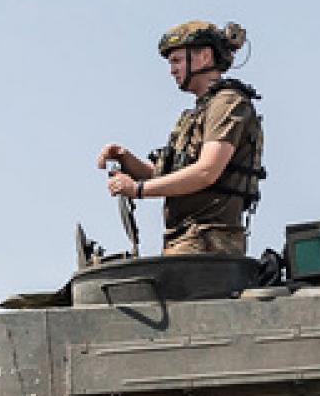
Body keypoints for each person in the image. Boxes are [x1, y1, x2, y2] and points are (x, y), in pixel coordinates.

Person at [99, 19, 265, 257]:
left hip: (210, 242)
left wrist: (137, 190)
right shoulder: (196, 113)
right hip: (188, 241)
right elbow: (166, 175)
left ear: (205, 57)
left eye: (177, 60)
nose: (172, 70)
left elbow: (207, 171)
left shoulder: (228, 103)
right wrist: (126, 159)